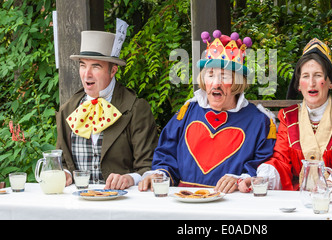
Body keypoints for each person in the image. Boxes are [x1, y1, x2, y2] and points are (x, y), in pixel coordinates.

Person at [138, 30, 276, 193]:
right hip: (184, 200)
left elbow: (263, 166)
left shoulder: (259, 121)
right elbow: (167, 153)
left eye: (224, 77)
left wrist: (241, 179)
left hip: (233, 204)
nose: (216, 83)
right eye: (210, 75)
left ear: (238, 82)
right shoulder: (187, 112)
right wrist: (160, 174)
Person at [239, 38, 332, 192]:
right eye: (305, 76)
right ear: (299, 85)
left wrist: (327, 187)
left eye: (318, 75)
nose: (311, 83)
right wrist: (261, 180)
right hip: (297, 200)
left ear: (330, 82)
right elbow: (281, 160)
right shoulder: (288, 116)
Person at [56, 30, 158, 190]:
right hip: (79, 204)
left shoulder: (136, 108)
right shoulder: (67, 110)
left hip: (123, 203)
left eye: (95, 67)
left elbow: (148, 167)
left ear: (113, 71)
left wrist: (129, 179)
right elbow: (62, 163)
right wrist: (65, 174)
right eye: (83, 65)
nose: (86, 74)